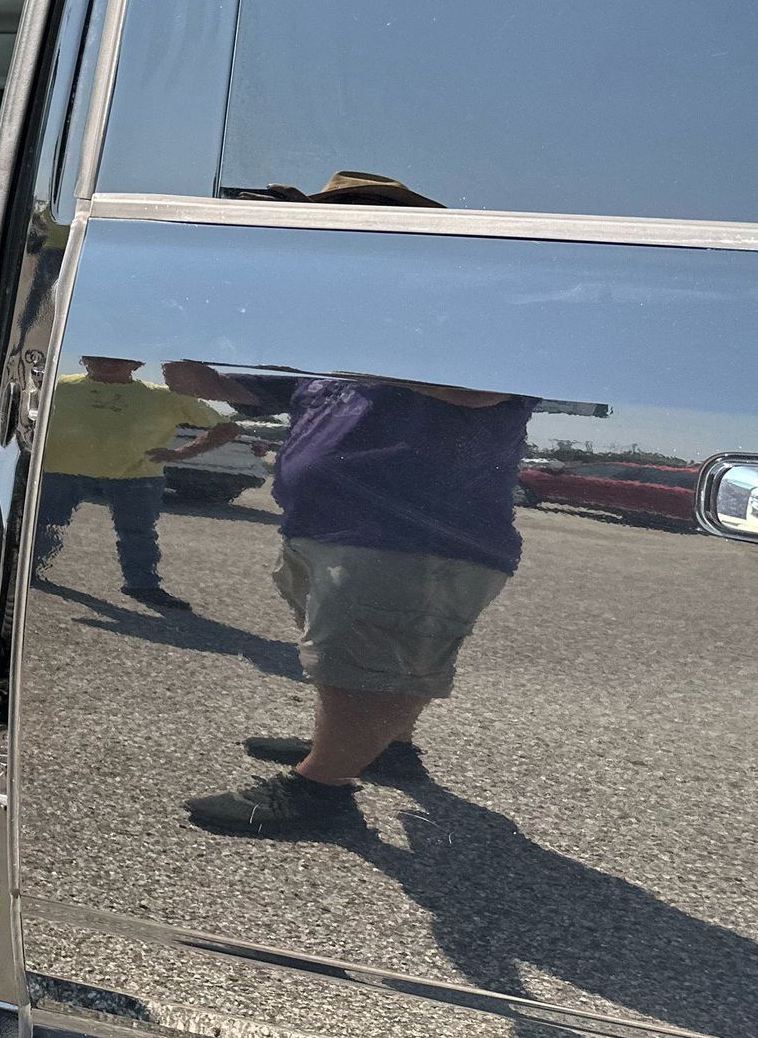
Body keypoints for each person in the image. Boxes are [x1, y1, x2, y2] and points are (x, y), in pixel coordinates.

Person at [167, 362, 535, 836]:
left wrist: (358, 358)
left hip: (413, 535)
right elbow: (223, 386)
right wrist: (173, 348)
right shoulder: (327, 358)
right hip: (323, 526)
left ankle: (320, 789)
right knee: (352, 656)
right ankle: (383, 748)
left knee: (369, 665)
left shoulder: (464, 348)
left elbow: (475, 391)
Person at [39, 356, 240, 612]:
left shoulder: (166, 397)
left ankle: (143, 585)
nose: (107, 363)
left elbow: (227, 427)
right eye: (98, 358)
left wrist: (181, 453)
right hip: (61, 470)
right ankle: (26, 571)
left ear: (136, 364)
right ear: (84, 360)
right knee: (44, 524)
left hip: (137, 476)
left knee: (137, 534)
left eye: (118, 360)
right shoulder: (57, 387)